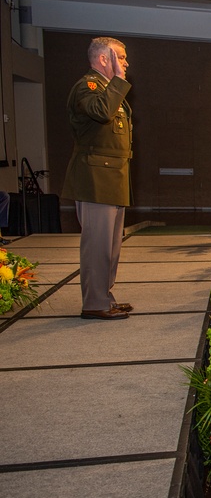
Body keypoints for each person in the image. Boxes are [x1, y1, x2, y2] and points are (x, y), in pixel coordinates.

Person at [62, 37, 133, 320]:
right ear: (104, 58)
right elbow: (101, 112)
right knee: (97, 246)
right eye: (121, 57)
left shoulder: (106, 89)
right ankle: (94, 303)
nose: (126, 63)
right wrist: (117, 81)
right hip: (95, 178)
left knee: (111, 247)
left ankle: (104, 296)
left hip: (112, 178)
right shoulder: (88, 86)